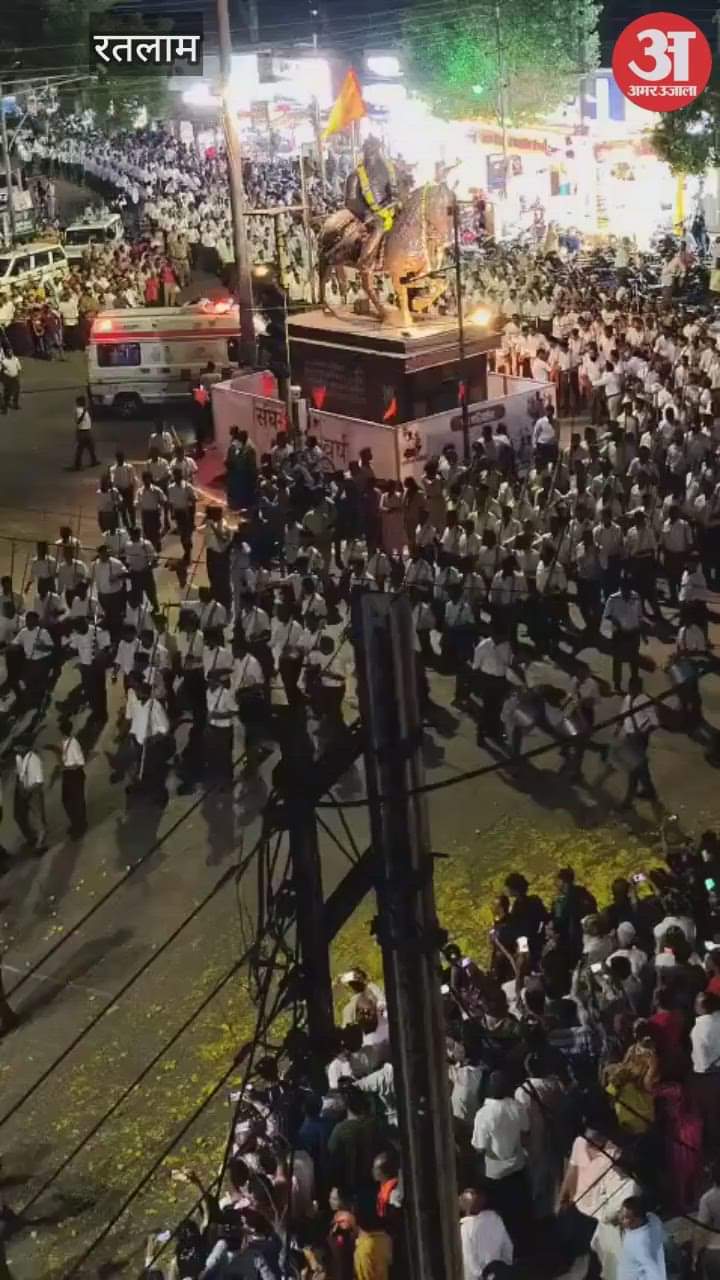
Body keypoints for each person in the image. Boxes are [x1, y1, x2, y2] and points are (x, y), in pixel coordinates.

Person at [470, 1070, 531, 1243]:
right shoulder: (517, 1107)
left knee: (499, 1217)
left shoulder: (483, 1114)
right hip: (517, 1167)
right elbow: (526, 1131)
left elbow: (479, 1147)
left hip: (495, 1174)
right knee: (518, 1215)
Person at [617, 1196, 667, 1280]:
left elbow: (655, 1274)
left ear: (638, 1219)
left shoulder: (641, 1245)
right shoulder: (652, 1219)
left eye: (627, 1218)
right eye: (622, 1214)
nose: (622, 1220)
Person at [14, 741, 47, 852]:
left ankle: (40, 843)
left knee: (37, 817)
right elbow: (21, 776)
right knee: (35, 817)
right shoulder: (22, 758)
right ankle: (40, 838)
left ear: (24, 747)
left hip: (33, 792)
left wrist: (28, 790)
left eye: (18, 747)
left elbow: (39, 781)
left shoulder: (33, 759)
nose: (16, 749)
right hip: (27, 792)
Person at [58, 717, 87, 837]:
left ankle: (79, 827)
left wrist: (67, 768)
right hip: (68, 775)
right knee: (67, 801)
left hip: (75, 775)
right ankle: (76, 823)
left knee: (76, 802)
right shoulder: (64, 742)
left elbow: (81, 762)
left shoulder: (74, 744)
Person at [73, 395, 98, 469]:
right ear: (79, 402)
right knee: (80, 449)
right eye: (83, 401)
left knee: (91, 447)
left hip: (87, 431)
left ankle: (94, 461)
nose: (84, 402)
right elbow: (78, 421)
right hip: (82, 432)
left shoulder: (84, 409)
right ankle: (77, 465)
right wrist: (84, 412)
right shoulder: (78, 410)